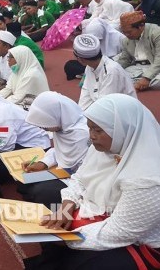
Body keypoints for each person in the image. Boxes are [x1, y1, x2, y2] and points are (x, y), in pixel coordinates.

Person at [25, 94, 160, 269]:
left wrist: (69, 239)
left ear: (123, 129)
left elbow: (121, 232)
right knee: (47, 196)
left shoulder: (148, 177)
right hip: (100, 211)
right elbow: (79, 179)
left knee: (93, 262)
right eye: (90, 129)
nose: (92, 136)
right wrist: (66, 207)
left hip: (138, 241)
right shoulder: (104, 149)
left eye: (98, 130)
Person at [17, 91, 90, 208]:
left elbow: (83, 171)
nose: (44, 128)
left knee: (41, 192)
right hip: (64, 171)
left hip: (79, 179)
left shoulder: (83, 133)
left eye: (45, 123)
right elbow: (59, 151)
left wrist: (54, 173)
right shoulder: (63, 126)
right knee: (23, 184)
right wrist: (43, 163)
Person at [74, 34, 136, 110]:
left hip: (122, 113)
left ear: (80, 59)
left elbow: (104, 107)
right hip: (104, 109)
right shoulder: (89, 67)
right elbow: (85, 96)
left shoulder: (111, 71)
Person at [117, 11, 160, 91]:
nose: (126, 35)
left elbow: (158, 61)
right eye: (124, 32)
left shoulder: (156, 33)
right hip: (138, 68)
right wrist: (113, 71)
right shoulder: (126, 40)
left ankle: (136, 84)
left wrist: (147, 78)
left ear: (141, 26)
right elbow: (124, 60)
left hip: (156, 68)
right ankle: (138, 84)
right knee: (117, 77)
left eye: (129, 32)